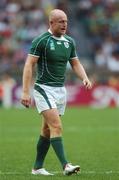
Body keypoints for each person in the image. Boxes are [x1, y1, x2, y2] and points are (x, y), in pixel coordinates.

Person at [21, 9, 92, 176]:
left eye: (66, 21)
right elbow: (28, 65)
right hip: (43, 89)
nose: (64, 24)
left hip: (60, 90)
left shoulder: (69, 42)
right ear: (51, 23)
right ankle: (66, 165)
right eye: (60, 21)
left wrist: (85, 77)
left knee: (46, 130)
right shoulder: (41, 41)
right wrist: (25, 91)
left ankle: (37, 168)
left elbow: (75, 63)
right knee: (56, 126)